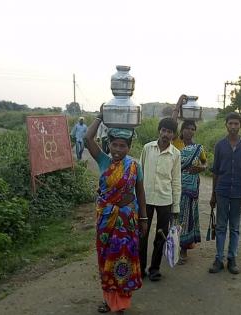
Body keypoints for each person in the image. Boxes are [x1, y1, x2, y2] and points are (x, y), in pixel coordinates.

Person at [85, 109, 148, 314]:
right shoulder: (104, 161)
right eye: (114, 145)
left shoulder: (134, 166)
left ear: (129, 147)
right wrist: (100, 116)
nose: (118, 149)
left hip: (128, 221)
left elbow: (140, 192)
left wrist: (144, 219)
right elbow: (87, 138)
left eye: (123, 146)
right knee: (106, 260)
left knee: (125, 258)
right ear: (109, 145)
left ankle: (121, 303)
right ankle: (108, 300)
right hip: (106, 221)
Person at [209, 112, 241, 275]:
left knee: (235, 227)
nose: (233, 126)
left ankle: (232, 259)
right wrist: (213, 195)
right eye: (230, 124)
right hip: (222, 191)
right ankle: (219, 259)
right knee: (221, 226)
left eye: (236, 124)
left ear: (240, 125)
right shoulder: (220, 145)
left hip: (237, 193)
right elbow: (215, 172)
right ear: (226, 125)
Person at [139, 117, 181, 281]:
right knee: (142, 235)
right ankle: (140, 268)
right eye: (163, 130)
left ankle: (154, 269)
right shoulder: (147, 148)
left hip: (165, 200)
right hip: (146, 199)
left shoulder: (175, 154)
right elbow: (139, 175)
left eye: (169, 131)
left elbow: (176, 181)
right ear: (159, 131)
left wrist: (175, 207)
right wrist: (136, 198)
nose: (165, 134)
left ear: (173, 135)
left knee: (160, 236)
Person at [171, 94, 207, 264]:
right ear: (182, 129)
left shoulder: (198, 148)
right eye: (187, 128)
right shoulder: (175, 143)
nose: (190, 131)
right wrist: (179, 103)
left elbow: (205, 164)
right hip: (175, 186)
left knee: (187, 218)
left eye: (193, 129)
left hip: (191, 189)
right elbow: (172, 121)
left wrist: (200, 168)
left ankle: (184, 249)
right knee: (175, 216)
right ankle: (172, 245)